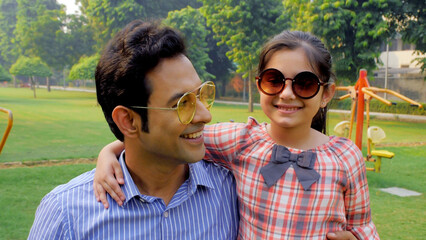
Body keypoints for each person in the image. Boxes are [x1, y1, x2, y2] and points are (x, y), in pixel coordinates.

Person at [94, 31, 377, 239]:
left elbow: (364, 225)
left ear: (326, 93)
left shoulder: (345, 156)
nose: (287, 93)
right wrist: (109, 152)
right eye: (274, 80)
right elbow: (167, 136)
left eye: (304, 83)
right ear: (260, 85)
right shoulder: (241, 140)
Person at [28, 20, 239, 239]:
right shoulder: (67, 214)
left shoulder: (231, 190)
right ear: (127, 121)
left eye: (201, 94)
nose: (206, 115)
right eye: (182, 103)